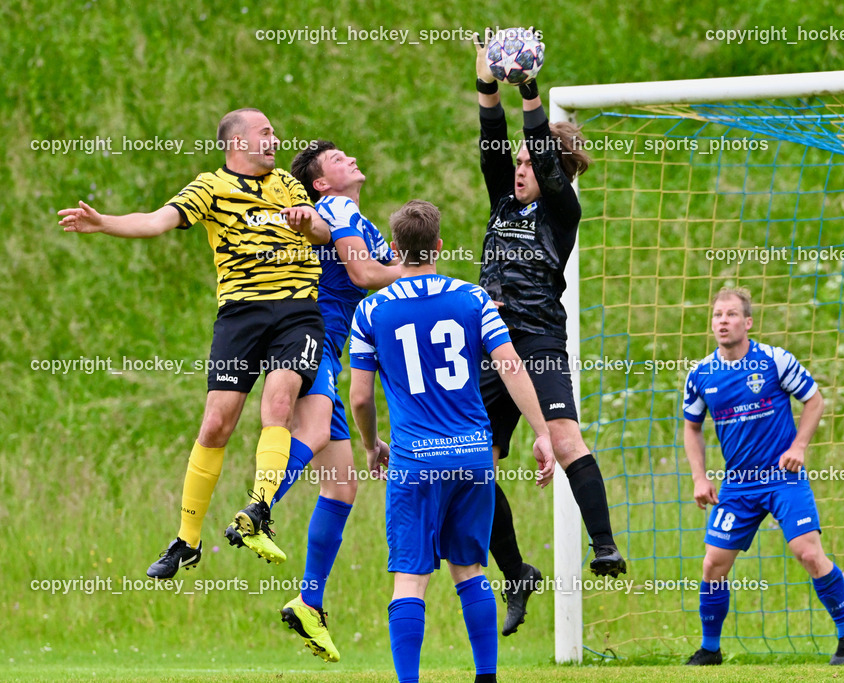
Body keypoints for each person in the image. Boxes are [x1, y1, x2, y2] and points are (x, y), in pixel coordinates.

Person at [59, 108, 330, 577]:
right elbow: (157, 220)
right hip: (240, 313)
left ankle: (260, 507)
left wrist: (308, 222)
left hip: (296, 310)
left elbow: (325, 234)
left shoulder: (287, 183)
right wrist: (104, 223)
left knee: (278, 403)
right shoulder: (210, 186)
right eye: (265, 133)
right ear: (237, 142)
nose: (274, 139)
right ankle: (187, 540)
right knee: (215, 425)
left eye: (273, 133)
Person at [348, 199, 555, 683]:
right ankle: (486, 677)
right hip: (472, 456)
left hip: (415, 459)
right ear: (438, 245)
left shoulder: (371, 311)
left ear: (395, 250)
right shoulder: (473, 298)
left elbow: (359, 397)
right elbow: (511, 366)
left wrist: (370, 444)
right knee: (471, 571)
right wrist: (543, 433)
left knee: (410, 579)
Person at [471, 28, 626, 637]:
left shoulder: (562, 211)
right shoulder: (501, 205)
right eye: (516, 164)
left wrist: (529, 89)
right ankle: (517, 572)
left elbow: (534, 140)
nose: (518, 169)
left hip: (536, 343)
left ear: (552, 171)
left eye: (529, 164)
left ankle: (606, 546)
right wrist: (488, 79)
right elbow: (492, 139)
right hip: (488, 345)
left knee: (564, 439)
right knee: (468, 469)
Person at [230, 140, 398, 661]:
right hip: (312, 338)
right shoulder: (339, 208)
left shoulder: (358, 220)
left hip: (333, 345)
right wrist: (437, 277)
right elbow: (366, 276)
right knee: (316, 431)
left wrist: (422, 274)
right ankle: (259, 509)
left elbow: (393, 279)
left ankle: (309, 602)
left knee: (343, 486)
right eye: (338, 159)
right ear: (321, 183)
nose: (351, 159)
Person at [683, 287, 844, 666]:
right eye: (717, 315)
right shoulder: (701, 374)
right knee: (713, 564)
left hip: (783, 478)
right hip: (738, 485)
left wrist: (798, 447)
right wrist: (700, 477)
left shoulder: (774, 361)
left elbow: (814, 400)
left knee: (808, 553)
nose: (723, 321)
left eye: (731, 315)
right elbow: (691, 427)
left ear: (747, 322)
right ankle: (710, 650)